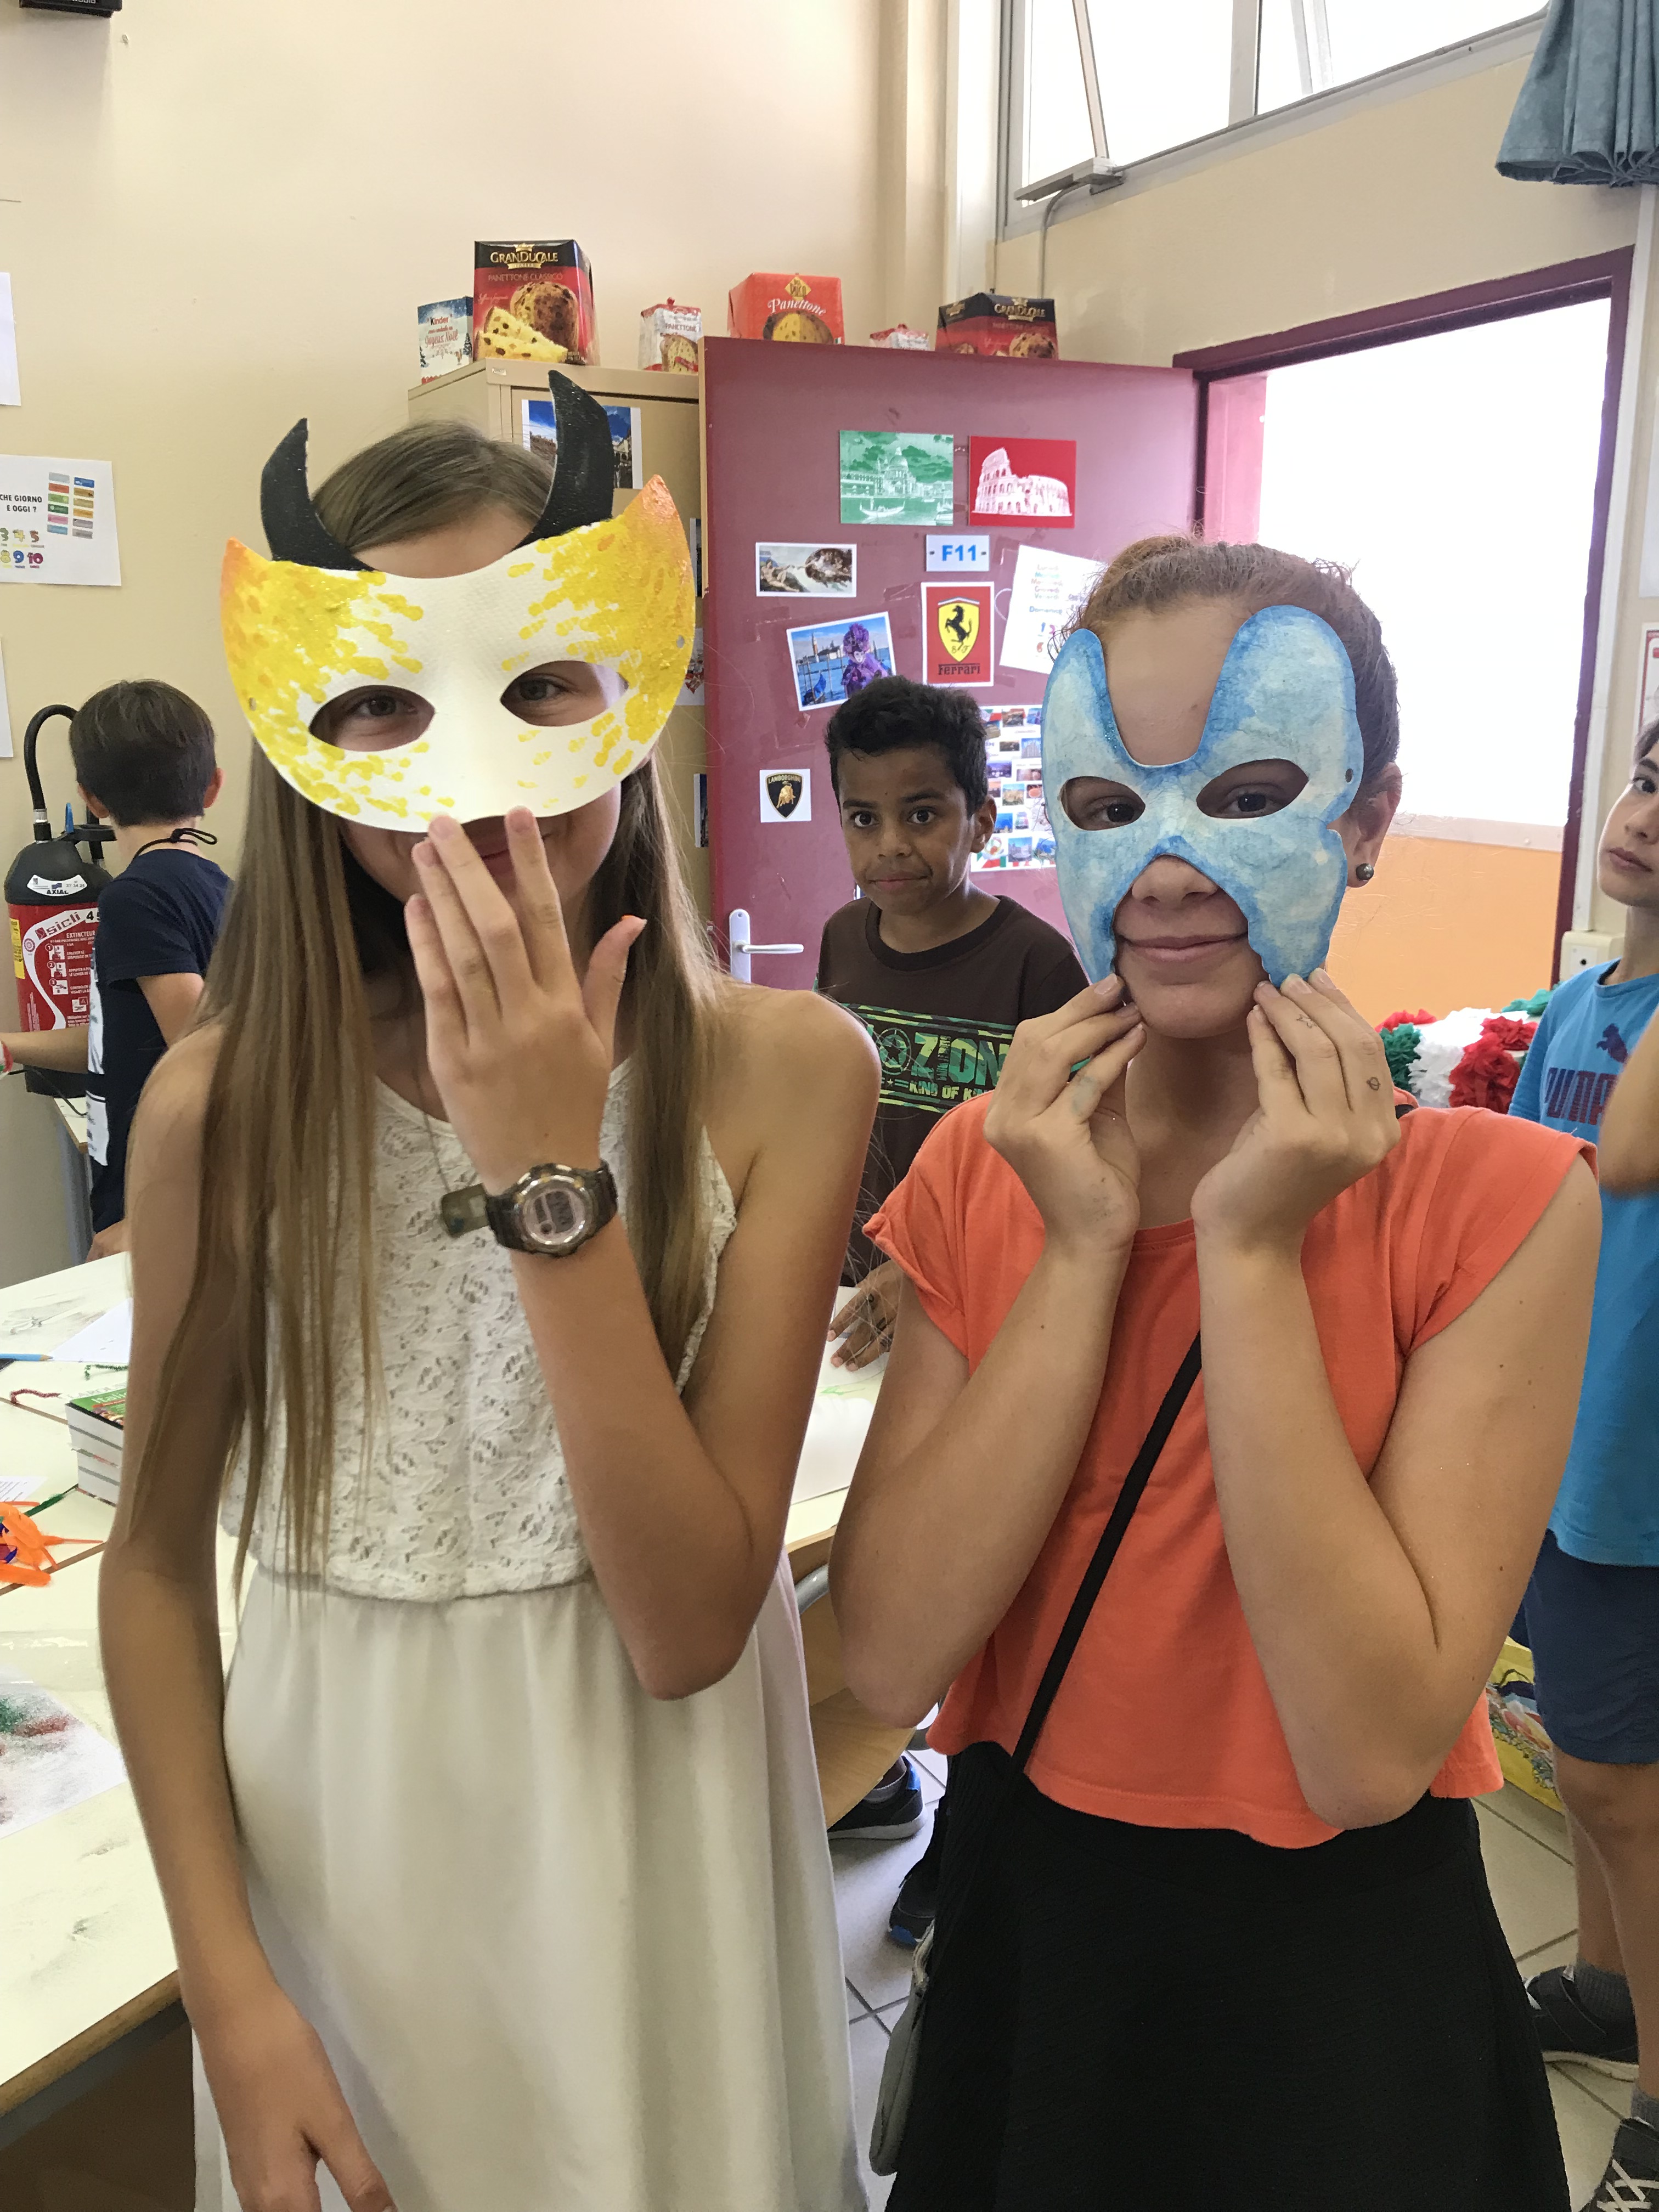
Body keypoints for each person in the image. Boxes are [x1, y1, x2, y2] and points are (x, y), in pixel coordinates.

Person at [99, 399, 876, 2212]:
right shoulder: (227, 1106)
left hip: (650, 1841)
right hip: (342, 1859)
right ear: (306, 738)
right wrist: (229, 1995)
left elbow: (688, 1623)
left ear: (628, 689)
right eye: (382, 701)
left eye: (536, 685)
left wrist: (548, 1177)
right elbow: (152, 1570)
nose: (466, 762)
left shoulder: (785, 1071)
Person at [830, 536, 1600, 2211]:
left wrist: (1250, 1254)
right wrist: (1079, 1244)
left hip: (1341, 1985)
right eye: (1111, 807)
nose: (1171, 866)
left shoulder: (1503, 1202)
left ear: (1368, 817)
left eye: (1249, 793)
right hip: (1039, 1937)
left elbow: (1366, 1753)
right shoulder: (988, 1167)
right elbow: (885, 1650)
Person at [814, 675, 1085, 1929]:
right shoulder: (840, 942)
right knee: (863, 1555)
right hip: (861, 1318)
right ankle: (875, 1778)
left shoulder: (1038, 965)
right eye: (863, 817)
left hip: (980, 1322)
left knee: (977, 1589)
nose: (892, 847)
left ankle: (963, 1840)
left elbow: (1063, 1170)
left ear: (981, 816)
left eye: (922, 815)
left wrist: (923, 1271)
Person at [1510, 720, 1659, 2209]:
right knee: (1588, 1757)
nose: (1651, 819)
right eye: (1655, 780)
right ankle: (1608, 1991)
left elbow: (1625, 1157)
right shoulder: (1580, 1001)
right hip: (1557, 1437)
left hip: (1636, 1464)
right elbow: (1521, 1192)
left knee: (1623, 1785)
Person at [1, 679, 228, 1257]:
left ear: (92, 799)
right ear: (213, 786)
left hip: (158, 1207)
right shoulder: (220, 889)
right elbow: (122, 1040)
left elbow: (210, 1067)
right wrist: (11, 1047)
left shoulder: (135, 898)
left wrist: (150, 1222)